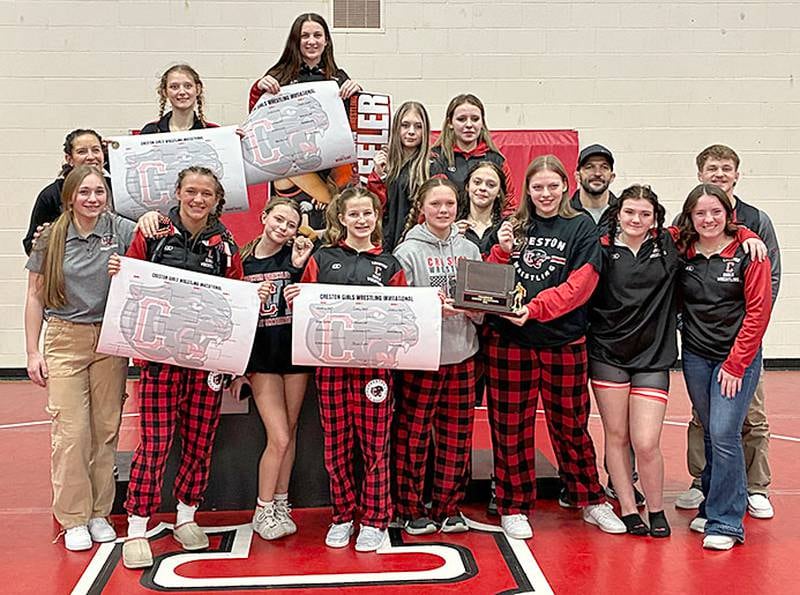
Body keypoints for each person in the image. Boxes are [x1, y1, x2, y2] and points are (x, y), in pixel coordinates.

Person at [115, 166, 250, 570]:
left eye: (206, 193)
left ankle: (187, 516)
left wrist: (232, 361)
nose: (198, 199)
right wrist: (118, 273)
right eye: (191, 191)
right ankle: (138, 525)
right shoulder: (153, 233)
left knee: (199, 440)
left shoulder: (225, 243)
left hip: (205, 361)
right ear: (177, 193)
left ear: (216, 199)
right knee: (155, 443)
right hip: (159, 360)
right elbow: (128, 284)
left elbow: (236, 301)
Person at [484, 155, 625, 539]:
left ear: (566, 185)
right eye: (537, 187)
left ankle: (591, 499)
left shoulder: (580, 226)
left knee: (571, 427)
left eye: (552, 186)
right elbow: (486, 277)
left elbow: (580, 285)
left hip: (564, 342)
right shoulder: (513, 225)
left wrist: (533, 309)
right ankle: (514, 505)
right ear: (527, 190)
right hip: (509, 343)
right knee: (510, 428)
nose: (545, 194)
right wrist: (500, 251)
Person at [286, 187, 406, 552]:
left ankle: (374, 519)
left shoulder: (390, 264)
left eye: (367, 214)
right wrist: (295, 297)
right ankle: (342, 515)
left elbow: (402, 317)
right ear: (341, 218)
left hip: (374, 370)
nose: (361, 220)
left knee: (375, 447)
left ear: (376, 218)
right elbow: (304, 309)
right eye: (353, 214)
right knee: (336, 446)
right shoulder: (323, 259)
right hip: (332, 366)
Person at [24, 165, 136, 551]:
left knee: (105, 430)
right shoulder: (50, 237)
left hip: (109, 339)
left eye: (99, 192)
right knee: (71, 433)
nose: (93, 198)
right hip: (64, 338)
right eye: (84, 192)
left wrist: (153, 218)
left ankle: (99, 512)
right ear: (70, 196)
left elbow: (153, 242)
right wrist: (32, 350)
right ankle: (73, 517)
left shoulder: (119, 229)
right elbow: (35, 297)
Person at [676, 145, 781, 521]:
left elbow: (763, 296)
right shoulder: (684, 237)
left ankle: (742, 501)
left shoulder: (754, 233)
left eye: (725, 168)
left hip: (739, 349)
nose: (718, 173)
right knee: (708, 427)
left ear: (736, 174)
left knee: (735, 426)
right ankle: (708, 494)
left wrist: (740, 357)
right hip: (697, 352)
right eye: (711, 168)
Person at [393, 178, 482, 535]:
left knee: (457, 434)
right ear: (423, 208)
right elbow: (400, 307)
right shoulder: (407, 251)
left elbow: (482, 304)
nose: (443, 211)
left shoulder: (471, 250)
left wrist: (476, 309)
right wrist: (431, 310)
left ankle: (449, 506)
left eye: (449, 204)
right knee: (413, 434)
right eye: (436, 205)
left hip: (463, 353)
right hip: (423, 357)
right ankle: (410, 507)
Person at [588, 185, 677, 537]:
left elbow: (713, 227)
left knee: (646, 441)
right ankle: (627, 507)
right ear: (618, 213)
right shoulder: (601, 246)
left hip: (652, 356)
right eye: (629, 212)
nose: (636, 219)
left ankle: (656, 508)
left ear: (655, 218)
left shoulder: (669, 246)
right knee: (617, 435)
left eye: (644, 214)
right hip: (608, 353)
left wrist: (749, 235)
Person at [231, 199, 314, 541]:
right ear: (264, 218)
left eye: (291, 224)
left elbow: (313, 298)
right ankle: (262, 508)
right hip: (261, 358)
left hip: (294, 355)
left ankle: (282, 503)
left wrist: (300, 269)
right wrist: (236, 369)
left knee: (290, 432)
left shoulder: (298, 259)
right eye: (279, 219)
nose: (283, 227)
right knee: (277, 436)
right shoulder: (242, 261)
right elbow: (231, 311)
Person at [248, 13, 361, 239]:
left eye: (317, 35)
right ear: (295, 41)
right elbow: (255, 122)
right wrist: (257, 89)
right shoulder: (277, 76)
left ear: (326, 40)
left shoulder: (338, 77)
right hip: (291, 168)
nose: (312, 41)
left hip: (330, 169)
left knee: (329, 236)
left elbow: (354, 128)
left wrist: (357, 95)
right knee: (289, 233)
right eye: (305, 36)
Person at [23, 129, 109, 255]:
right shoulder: (51, 195)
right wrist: (42, 243)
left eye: (96, 150)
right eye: (82, 152)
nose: (91, 157)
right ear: (69, 159)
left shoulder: (118, 187)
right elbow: (30, 246)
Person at [430, 94, 516, 211]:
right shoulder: (436, 158)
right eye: (461, 119)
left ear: (482, 123)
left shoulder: (497, 160)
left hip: (490, 227)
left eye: (475, 119)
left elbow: (509, 203)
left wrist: (504, 226)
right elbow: (429, 201)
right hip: (447, 227)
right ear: (450, 123)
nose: (469, 125)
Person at [367, 101, 431, 252]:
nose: (411, 131)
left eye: (418, 126)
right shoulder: (385, 164)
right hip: (386, 242)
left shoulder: (431, 167)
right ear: (396, 128)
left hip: (418, 246)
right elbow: (375, 208)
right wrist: (379, 176)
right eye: (405, 125)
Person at [139, 64, 217, 134]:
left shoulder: (213, 132)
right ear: (165, 92)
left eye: (188, 86)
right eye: (174, 87)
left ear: (198, 89)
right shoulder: (150, 132)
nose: (182, 92)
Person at [455, 160, 508, 256]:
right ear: (467, 186)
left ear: (499, 193)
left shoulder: (506, 228)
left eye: (491, 185)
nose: (483, 188)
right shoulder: (452, 226)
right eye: (477, 182)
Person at [569, 144, 617, 226]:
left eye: (604, 167)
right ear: (578, 176)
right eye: (589, 167)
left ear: (612, 177)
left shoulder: (621, 212)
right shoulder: (565, 212)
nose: (597, 173)